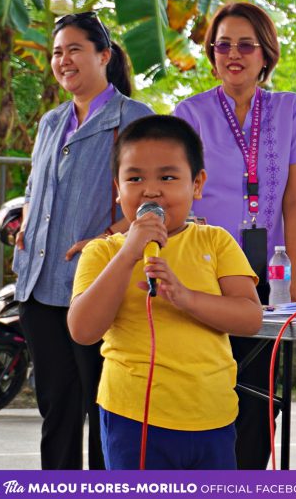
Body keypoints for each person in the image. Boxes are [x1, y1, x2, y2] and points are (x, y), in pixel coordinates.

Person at [67, 115, 263, 469]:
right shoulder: (103, 252)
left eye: (168, 177)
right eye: (135, 178)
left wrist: (186, 298)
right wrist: (129, 253)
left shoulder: (216, 241)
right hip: (133, 417)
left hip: (212, 416)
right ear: (118, 187)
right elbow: (83, 330)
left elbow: (250, 318)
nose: (151, 190)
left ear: (197, 184)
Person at [172, 1, 296, 469]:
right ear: (212, 54)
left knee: (258, 397)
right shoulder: (188, 113)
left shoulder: (290, 109)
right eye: (223, 45)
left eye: (246, 44)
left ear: (265, 53)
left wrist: (293, 280)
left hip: (265, 276)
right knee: (205, 393)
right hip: (202, 273)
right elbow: (178, 196)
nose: (233, 54)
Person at [12, 11, 153, 469]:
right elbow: (35, 187)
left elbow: (152, 198)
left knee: (103, 404)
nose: (63, 60)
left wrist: (105, 238)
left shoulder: (134, 117)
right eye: (57, 52)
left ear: (104, 56)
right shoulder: (51, 122)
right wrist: (26, 222)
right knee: (56, 405)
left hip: (95, 284)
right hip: (37, 282)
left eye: (74, 49)